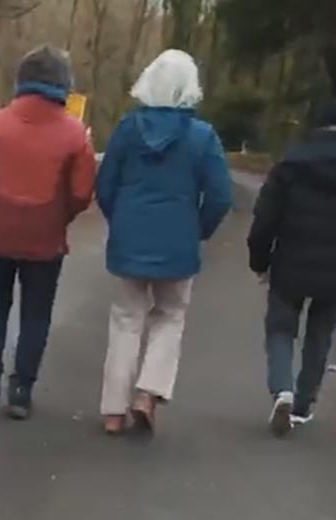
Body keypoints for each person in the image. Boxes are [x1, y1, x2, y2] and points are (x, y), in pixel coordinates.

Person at [94, 49, 233, 435]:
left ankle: (112, 411)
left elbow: (105, 185)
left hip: (130, 238)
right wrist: (198, 229)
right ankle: (147, 392)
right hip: (178, 242)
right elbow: (220, 195)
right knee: (170, 316)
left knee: (125, 320)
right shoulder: (202, 137)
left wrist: (120, 221)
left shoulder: (127, 129)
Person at [0, 45, 97, 420]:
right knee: (36, 312)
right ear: (63, 84)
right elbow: (82, 194)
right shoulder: (74, 134)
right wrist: (59, 214)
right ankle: (22, 389)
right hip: (45, 237)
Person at [247, 98, 336, 436]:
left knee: (281, 329)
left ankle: (281, 389)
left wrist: (260, 261)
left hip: (289, 264)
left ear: (317, 127)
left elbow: (264, 218)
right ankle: (302, 405)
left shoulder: (291, 163)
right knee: (320, 334)